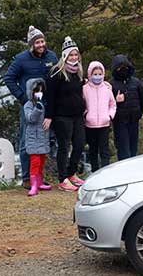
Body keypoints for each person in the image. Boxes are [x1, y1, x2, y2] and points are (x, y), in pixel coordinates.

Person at [4, 26, 59, 189]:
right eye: (37, 42)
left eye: (42, 41)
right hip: (29, 106)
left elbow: (57, 76)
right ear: (31, 44)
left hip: (48, 104)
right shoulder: (21, 59)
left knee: (46, 139)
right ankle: (27, 178)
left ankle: (39, 177)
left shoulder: (52, 57)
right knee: (26, 140)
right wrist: (22, 98)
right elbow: (9, 78)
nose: (41, 45)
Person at [44, 36, 86, 192]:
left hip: (77, 116)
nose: (73, 58)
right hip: (62, 116)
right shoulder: (57, 73)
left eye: (76, 55)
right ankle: (62, 178)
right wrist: (49, 116)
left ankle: (72, 173)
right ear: (64, 56)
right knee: (64, 146)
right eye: (71, 55)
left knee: (80, 144)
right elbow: (51, 97)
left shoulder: (78, 73)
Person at [109, 54, 143, 161]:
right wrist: (116, 100)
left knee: (133, 150)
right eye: (120, 67)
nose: (123, 69)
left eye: (125, 67)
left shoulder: (136, 83)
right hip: (119, 122)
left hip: (134, 121)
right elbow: (106, 104)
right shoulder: (110, 85)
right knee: (123, 151)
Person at [83, 61, 116, 172]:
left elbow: (113, 104)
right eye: (95, 74)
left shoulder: (107, 89)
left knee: (104, 150)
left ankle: (105, 172)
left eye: (99, 74)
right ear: (90, 74)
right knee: (93, 150)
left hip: (104, 124)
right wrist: (86, 115)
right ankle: (94, 171)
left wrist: (110, 116)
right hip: (90, 125)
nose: (97, 76)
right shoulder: (85, 89)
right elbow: (82, 104)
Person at [23, 78, 53, 196]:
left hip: (43, 137)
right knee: (34, 162)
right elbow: (30, 119)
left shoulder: (44, 103)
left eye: (41, 90)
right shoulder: (28, 105)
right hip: (33, 139)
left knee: (41, 161)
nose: (39, 93)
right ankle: (33, 185)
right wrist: (38, 109)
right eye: (36, 91)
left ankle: (40, 182)